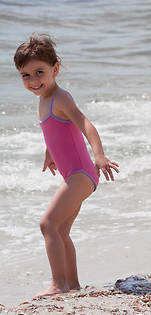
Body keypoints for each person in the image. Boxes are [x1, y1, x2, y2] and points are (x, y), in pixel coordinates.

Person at [13, 34, 119, 299]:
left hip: (81, 173)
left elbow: (84, 123)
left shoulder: (60, 97)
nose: (33, 80)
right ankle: (72, 284)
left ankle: (57, 283)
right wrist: (49, 153)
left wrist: (99, 155)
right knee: (60, 230)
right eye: (25, 75)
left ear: (55, 69)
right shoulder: (43, 100)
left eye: (39, 72)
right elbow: (58, 130)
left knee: (47, 224)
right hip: (75, 174)